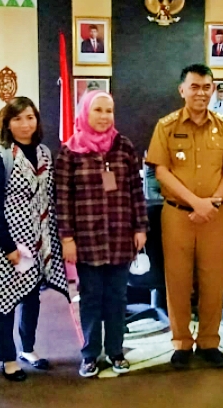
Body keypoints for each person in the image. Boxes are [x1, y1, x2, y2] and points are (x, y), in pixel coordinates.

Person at [146, 63, 223, 370]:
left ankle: (209, 341)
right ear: (182, 90)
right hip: (178, 216)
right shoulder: (166, 126)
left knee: (214, 280)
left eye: (206, 87)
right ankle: (182, 343)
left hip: (214, 215)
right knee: (178, 281)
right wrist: (195, 203)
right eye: (195, 87)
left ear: (213, 90)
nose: (201, 93)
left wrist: (213, 202)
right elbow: (161, 171)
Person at [56, 90, 148, 378]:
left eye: (109, 111)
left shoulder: (124, 147)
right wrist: (67, 238)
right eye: (98, 110)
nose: (104, 116)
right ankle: (90, 354)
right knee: (91, 297)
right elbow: (62, 199)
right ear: (85, 113)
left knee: (117, 298)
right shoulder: (69, 152)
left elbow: (136, 190)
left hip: (121, 235)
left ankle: (116, 351)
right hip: (87, 239)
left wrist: (140, 227)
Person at [0, 97, 69, 381]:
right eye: (17, 118)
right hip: (9, 242)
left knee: (31, 296)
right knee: (5, 299)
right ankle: (7, 358)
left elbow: (51, 196)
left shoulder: (45, 154)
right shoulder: (1, 158)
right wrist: (8, 247)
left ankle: (27, 348)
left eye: (30, 117)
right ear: (7, 124)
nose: (25, 124)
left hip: (39, 241)